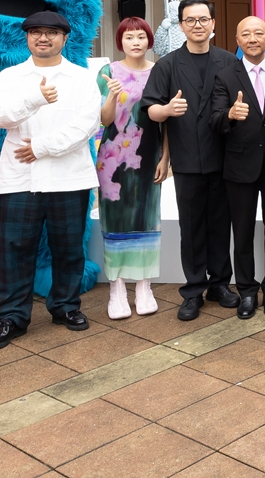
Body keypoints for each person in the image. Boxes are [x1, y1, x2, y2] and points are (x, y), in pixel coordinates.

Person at [0, 11, 102, 351]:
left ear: (65, 38)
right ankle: (11, 317)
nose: (43, 38)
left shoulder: (81, 78)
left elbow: (87, 125)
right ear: (27, 37)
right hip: (20, 178)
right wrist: (35, 98)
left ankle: (66, 307)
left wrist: (41, 147)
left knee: (68, 247)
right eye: (36, 32)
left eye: (51, 32)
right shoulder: (10, 77)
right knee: (15, 248)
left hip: (69, 177)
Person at [142, 0, 243, 321]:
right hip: (186, 159)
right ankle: (193, 290)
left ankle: (220, 284)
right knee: (192, 227)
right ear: (182, 25)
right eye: (190, 20)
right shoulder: (168, 64)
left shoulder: (229, 61)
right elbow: (150, 109)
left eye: (203, 19)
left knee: (221, 225)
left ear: (213, 24)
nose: (197, 25)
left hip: (224, 158)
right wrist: (167, 110)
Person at [213, 16, 265, 319]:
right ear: (237, 39)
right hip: (239, 166)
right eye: (246, 34)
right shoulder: (225, 75)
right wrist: (230, 115)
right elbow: (214, 119)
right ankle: (246, 291)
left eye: (258, 33)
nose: (252, 39)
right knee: (242, 233)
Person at [96, 16, 164, 320]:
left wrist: (167, 157)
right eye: (129, 37)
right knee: (115, 219)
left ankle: (144, 286)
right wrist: (112, 94)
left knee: (147, 217)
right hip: (113, 157)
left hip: (149, 154)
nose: (135, 42)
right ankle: (117, 287)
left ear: (149, 40)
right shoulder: (108, 72)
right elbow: (105, 120)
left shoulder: (161, 70)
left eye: (140, 36)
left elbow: (167, 121)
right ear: (119, 41)